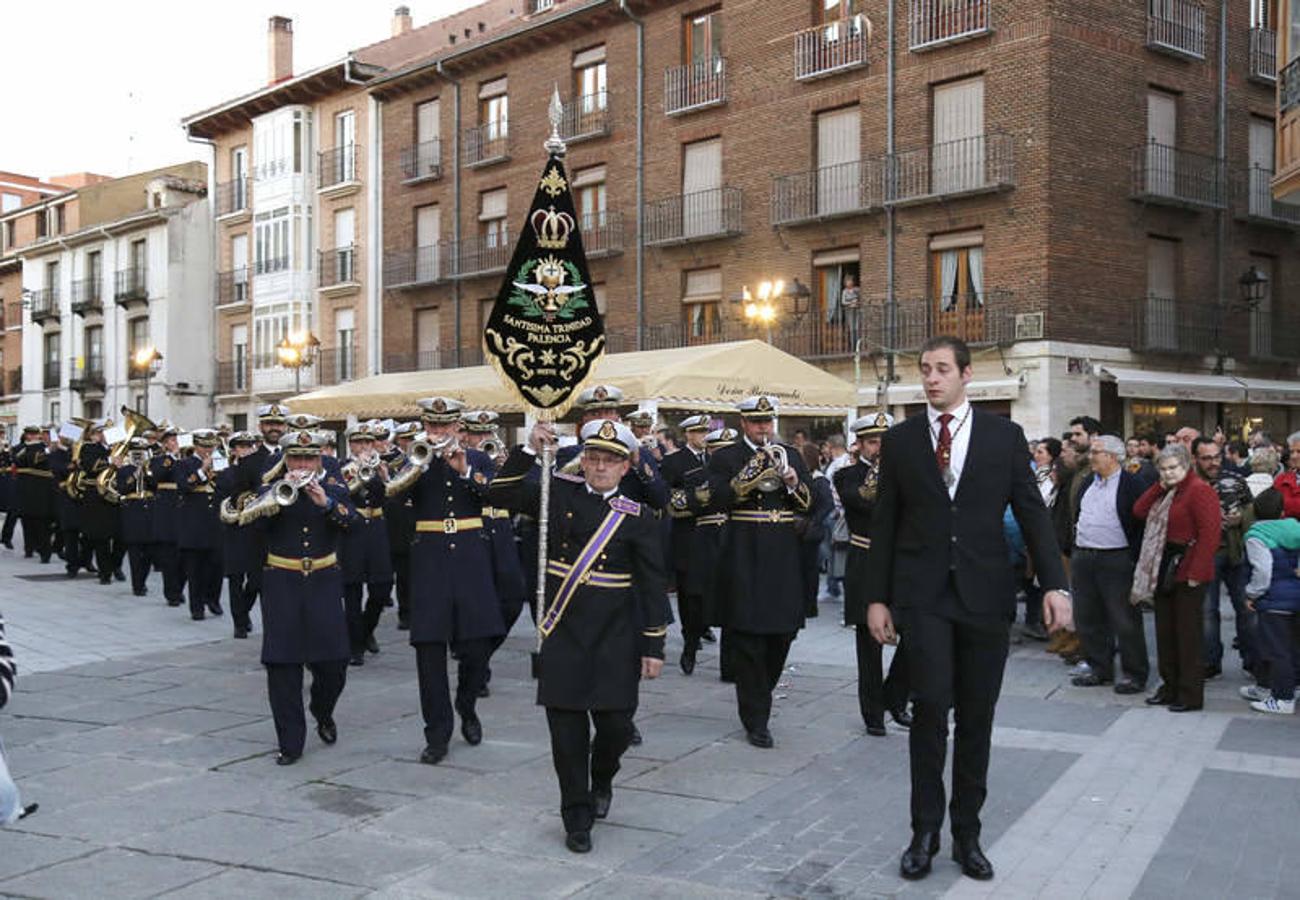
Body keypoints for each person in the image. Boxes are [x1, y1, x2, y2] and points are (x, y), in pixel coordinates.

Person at [864, 336, 1070, 883]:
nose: (931, 379)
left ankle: (967, 833)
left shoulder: (1005, 437)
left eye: (941, 370)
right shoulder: (903, 441)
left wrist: (1055, 584)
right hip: (924, 598)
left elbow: (1032, 514)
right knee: (929, 710)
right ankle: (924, 831)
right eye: (924, 370)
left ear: (966, 375)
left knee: (977, 717)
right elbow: (884, 523)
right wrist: (876, 598)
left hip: (985, 597)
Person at [489, 418, 670, 855]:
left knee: (616, 729)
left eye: (611, 460)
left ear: (626, 467)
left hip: (616, 636)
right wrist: (529, 451)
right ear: (583, 460)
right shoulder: (556, 494)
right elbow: (499, 493)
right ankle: (577, 814)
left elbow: (651, 584)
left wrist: (654, 645)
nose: (601, 467)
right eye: (594, 458)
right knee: (566, 737)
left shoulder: (639, 517)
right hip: (563, 630)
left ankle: (602, 778)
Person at [384, 397, 503, 765]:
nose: (437, 433)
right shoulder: (411, 460)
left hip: (470, 558)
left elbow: (496, 496)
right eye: (432, 427)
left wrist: (464, 468)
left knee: (477, 645)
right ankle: (437, 732)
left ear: (458, 428)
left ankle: (466, 705)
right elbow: (390, 500)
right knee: (429, 651)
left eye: (445, 427)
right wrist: (416, 467)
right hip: (430, 561)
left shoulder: (479, 459)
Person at [235, 429, 355, 765]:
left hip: (324, 581)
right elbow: (247, 528)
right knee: (282, 664)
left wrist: (326, 504)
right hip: (283, 583)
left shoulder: (335, 486)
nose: (302, 465)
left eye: (309, 459)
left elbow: (353, 523)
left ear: (320, 460)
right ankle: (290, 742)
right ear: (286, 460)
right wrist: (273, 500)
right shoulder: (268, 489)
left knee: (334, 662)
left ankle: (322, 708)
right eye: (296, 459)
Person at [703, 395, 814, 749]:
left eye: (767, 421)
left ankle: (759, 694)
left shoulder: (790, 454)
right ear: (743, 424)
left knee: (783, 634)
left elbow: (812, 503)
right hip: (744, 548)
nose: (763, 428)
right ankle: (756, 717)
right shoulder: (725, 456)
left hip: (782, 552)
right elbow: (716, 497)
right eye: (756, 422)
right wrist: (749, 475)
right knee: (749, 636)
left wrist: (794, 482)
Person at [834, 412, 911, 737]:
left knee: (915, 633)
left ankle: (894, 695)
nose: (879, 447)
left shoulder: (905, 474)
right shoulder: (847, 475)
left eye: (884, 441)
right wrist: (882, 468)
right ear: (861, 445)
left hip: (901, 562)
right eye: (873, 442)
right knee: (869, 644)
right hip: (865, 559)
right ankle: (872, 713)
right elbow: (864, 500)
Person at [1132, 444, 1221, 712]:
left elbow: (1210, 534)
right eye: (1164, 468)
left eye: (1174, 467)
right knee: (1165, 633)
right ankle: (1169, 687)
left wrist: (1196, 572)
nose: (1169, 473)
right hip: (1163, 564)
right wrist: (1160, 486)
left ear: (1186, 465)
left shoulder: (1199, 490)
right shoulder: (1169, 490)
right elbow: (1139, 510)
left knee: (1187, 636)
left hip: (1187, 567)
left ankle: (1190, 694)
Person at [1068, 435, 1152, 694]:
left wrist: (1133, 558)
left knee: (1123, 618)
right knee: (1087, 616)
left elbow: (1141, 522)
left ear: (1113, 457)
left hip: (1116, 557)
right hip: (1084, 555)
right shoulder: (1087, 483)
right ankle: (1098, 666)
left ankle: (1134, 673)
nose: (1091, 456)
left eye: (1097, 452)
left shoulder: (1132, 483)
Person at [1193, 436, 1256, 680]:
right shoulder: (1190, 483)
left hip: (1235, 552)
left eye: (1216, 457)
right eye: (1206, 458)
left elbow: (1251, 509)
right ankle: (1210, 662)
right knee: (1207, 611)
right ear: (1196, 459)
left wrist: (1241, 518)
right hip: (1206, 554)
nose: (1213, 463)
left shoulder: (1236, 480)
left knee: (1246, 607)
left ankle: (1253, 660)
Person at [1240, 488, 1300, 715]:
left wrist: (1252, 593)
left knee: (1276, 649)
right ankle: (1291, 686)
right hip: (1297, 597)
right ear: (1282, 512)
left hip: (1274, 600)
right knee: (1294, 646)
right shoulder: (1295, 527)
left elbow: (1263, 571)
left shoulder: (1257, 535)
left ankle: (1282, 698)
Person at [662, 414, 713, 675]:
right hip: (688, 535)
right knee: (689, 594)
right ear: (688, 435)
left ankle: (702, 627)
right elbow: (666, 495)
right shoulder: (674, 461)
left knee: (708, 594)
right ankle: (690, 642)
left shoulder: (715, 457)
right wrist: (696, 499)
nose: (704, 436)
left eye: (706, 431)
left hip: (714, 535)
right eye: (699, 432)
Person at [339, 425, 393, 666]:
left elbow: (390, 497)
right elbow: (340, 495)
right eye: (359, 443)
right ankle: (354, 645)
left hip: (377, 528)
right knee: (352, 590)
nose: (364, 447)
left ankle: (365, 629)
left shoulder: (380, 465)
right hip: (353, 529)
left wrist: (385, 478)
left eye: (368, 443)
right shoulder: (341, 467)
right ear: (351, 444)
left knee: (382, 587)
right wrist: (358, 470)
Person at [216, 432, 262, 638]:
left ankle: (243, 611)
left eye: (248, 446)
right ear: (233, 450)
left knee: (255, 580)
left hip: (255, 530)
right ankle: (239, 624)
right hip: (235, 529)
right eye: (241, 447)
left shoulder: (261, 467)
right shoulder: (227, 473)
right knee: (236, 579)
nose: (246, 450)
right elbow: (223, 499)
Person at [175, 430, 225, 621]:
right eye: (205, 446)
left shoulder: (220, 462)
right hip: (194, 523)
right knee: (195, 569)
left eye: (211, 446)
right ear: (196, 446)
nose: (209, 450)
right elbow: (183, 486)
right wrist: (202, 471)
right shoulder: (184, 464)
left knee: (216, 566)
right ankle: (196, 607)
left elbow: (226, 485)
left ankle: (213, 600)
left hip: (215, 520)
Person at [148, 424, 187, 607]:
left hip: (184, 508)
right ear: (164, 444)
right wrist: (171, 457)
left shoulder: (187, 459)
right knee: (169, 556)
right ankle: (171, 593)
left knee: (184, 557)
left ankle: (178, 588)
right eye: (172, 440)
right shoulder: (159, 459)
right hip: (167, 508)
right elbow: (157, 476)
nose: (175, 443)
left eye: (177, 439)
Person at [797, 443, 835, 619]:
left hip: (810, 531)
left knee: (810, 569)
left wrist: (813, 521)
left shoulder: (819, 479)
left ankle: (809, 606)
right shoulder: (801, 477)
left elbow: (827, 504)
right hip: (798, 529)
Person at [115, 438, 156, 597]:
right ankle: (137, 585)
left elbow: (155, 485)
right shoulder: (124, 470)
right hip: (132, 510)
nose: (140, 456)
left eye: (143, 452)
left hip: (148, 509)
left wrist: (147, 471)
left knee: (149, 551)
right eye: (136, 452)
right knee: (134, 551)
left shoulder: (150, 468)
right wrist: (135, 474)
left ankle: (142, 580)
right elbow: (123, 488)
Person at [13, 426, 54, 564]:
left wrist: (48, 449)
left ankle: (44, 552)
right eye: (30, 434)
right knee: (27, 520)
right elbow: (23, 459)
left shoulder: (45, 448)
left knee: (41, 522)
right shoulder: (21, 448)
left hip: (41, 490)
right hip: (25, 489)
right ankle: (29, 548)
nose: (32, 436)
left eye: (35, 434)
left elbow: (42, 461)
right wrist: (45, 449)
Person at [1272, 431, 1300, 519]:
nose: (1294, 456)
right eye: (1292, 452)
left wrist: (1285, 507)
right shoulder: (1281, 479)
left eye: (1299, 451)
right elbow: (1271, 506)